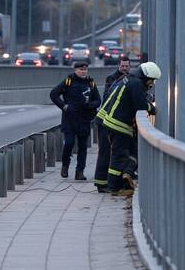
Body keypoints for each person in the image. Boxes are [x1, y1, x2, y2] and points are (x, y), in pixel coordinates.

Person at [98, 61, 161, 197]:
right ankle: (115, 187)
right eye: (151, 80)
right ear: (146, 76)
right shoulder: (136, 84)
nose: (152, 84)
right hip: (118, 124)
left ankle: (127, 174)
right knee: (118, 156)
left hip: (116, 122)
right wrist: (153, 109)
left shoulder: (130, 79)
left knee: (131, 151)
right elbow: (141, 105)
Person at [49, 60, 100, 180]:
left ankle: (80, 172)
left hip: (84, 119)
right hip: (70, 118)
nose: (83, 72)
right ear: (75, 70)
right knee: (69, 143)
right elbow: (53, 94)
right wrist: (64, 106)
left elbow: (98, 100)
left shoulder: (91, 83)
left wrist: (91, 105)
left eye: (85, 69)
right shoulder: (68, 81)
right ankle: (65, 165)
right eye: (80, 70)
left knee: (83, 147)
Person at [93, 56, 132, 193]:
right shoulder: (113, 79)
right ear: (118, 65)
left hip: (112, 121)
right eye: (123, 66)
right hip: (105, 120)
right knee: (105, 152)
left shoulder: (129, 79)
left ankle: (111, 182)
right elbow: (109, 96)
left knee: (114, 153)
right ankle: (101, 183)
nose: (125, 68)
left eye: (127, 66)